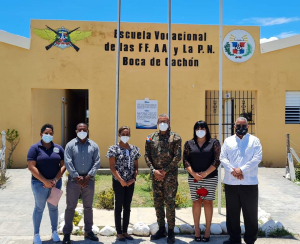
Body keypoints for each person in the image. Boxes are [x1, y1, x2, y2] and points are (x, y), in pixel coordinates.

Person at [220, 117, 262, 244]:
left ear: (248, 127)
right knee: (232, 214)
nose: (241, 128)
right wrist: (234, 170)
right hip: (231, 183)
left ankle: (250, 239)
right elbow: (223, 158)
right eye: (238, 125)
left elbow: (257, 158)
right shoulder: (228, 141)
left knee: (250, 213)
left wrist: (241, 170)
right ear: (234, 127)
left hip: (249, 183)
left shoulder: (255, 141)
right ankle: (234, 239)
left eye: (244, 126)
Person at [144, 113, 182, 244]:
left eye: (165, 121)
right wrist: (154, 170)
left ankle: (170, 231)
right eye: (160, 121)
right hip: (156, 177)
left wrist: (164, 171)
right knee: (158, 203)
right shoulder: (150, 137)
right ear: (157, 123)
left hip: (169, 176)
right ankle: (161, 229)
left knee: (170, 203)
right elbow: (147, 155)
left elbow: (177, 157)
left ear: (169, 122)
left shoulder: (175, 138)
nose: (163, 124)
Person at [27, 124, 66, 244]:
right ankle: (36, 234)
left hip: (55, 184)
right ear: (41, 134)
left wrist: (54, 180)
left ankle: (54, 232)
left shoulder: (58, 148)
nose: (48, 135)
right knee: (39, 208)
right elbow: (31, 166)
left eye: (51, 133)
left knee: (53, 208)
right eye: (46, 133)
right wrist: (45, 181)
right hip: (39, 184)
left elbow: (64, 165)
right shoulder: (35, 148)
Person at [62, 123, 100, 244]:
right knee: (70, 207)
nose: (82, 131)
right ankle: (67, 233)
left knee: (88, 207)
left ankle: (88, 231)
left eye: (84, 129)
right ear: (76, 131)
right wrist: (76, 176)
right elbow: (67, 161)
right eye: (80, 129)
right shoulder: (70, 145)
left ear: (88, 130)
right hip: (74, 181)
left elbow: (97, 161)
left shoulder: (93, 145)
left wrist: (88, 176)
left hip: (89, 181)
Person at [183, 120, 221, 242]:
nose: (200, 131)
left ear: (206, 130)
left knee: (208, 202)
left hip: (210, 177)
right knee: (196, 202)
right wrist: (194, 173)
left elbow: (217, 160)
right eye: (198, 128)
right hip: (194, 178)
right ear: (194, 130)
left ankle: (208, 230)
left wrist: (205, 173)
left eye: (203, 128)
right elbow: (185, 161)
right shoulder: (189, 144)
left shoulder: (214, 143)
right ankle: (197, 230)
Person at [106, 126, 141, 241]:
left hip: (130, 182)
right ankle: (119, 232)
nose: (125, 136)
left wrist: (133, 178)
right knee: (119, 206)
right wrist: (121, 180)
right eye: (123, 134)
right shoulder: (113, 149)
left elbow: (136, 167)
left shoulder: (134, 149)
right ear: (119, 135)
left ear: (130, 135)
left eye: (127, 134)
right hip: (118, 182)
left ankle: (125, 231)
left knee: (127, 206)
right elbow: (112, 167)